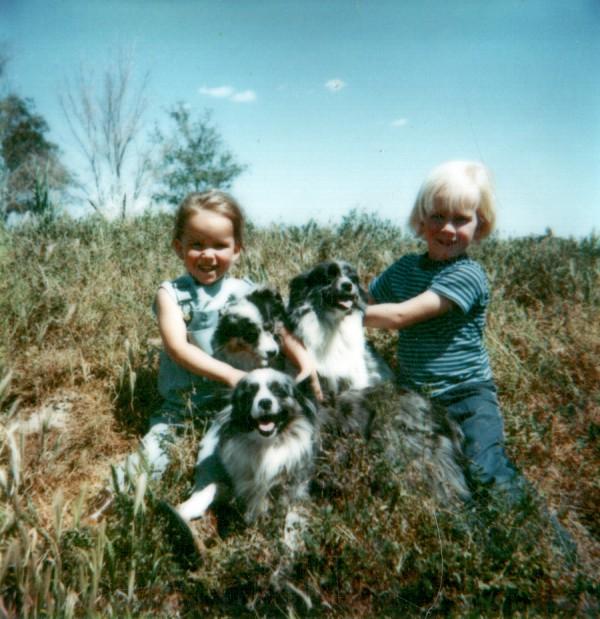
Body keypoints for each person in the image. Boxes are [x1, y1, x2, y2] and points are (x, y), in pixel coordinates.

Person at [114, 190, 320, 492]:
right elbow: (178, 348)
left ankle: (201, 507)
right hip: (182, 405)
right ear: (178, 247)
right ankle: (116, 497)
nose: (208, 255)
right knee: (154, 451)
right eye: (196, 245)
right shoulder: (171, 294)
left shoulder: (248, 290)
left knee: (215, 454)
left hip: (235, 404)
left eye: (220, 246)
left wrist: (305, 362)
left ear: (236, 250)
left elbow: (281, 330)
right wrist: (232, 375)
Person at [364, 160, 521, 497]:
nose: (448, 229)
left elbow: (399, 317)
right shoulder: (405, 269)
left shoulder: (467, 275)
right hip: (415, 396)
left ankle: (542, 542)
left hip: (467, 395)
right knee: (431, 479)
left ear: (480, 226)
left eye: (461, 220)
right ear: (421, 221)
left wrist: (344, 315)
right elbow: (368, 296)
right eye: (437, 216)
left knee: (485, 469)